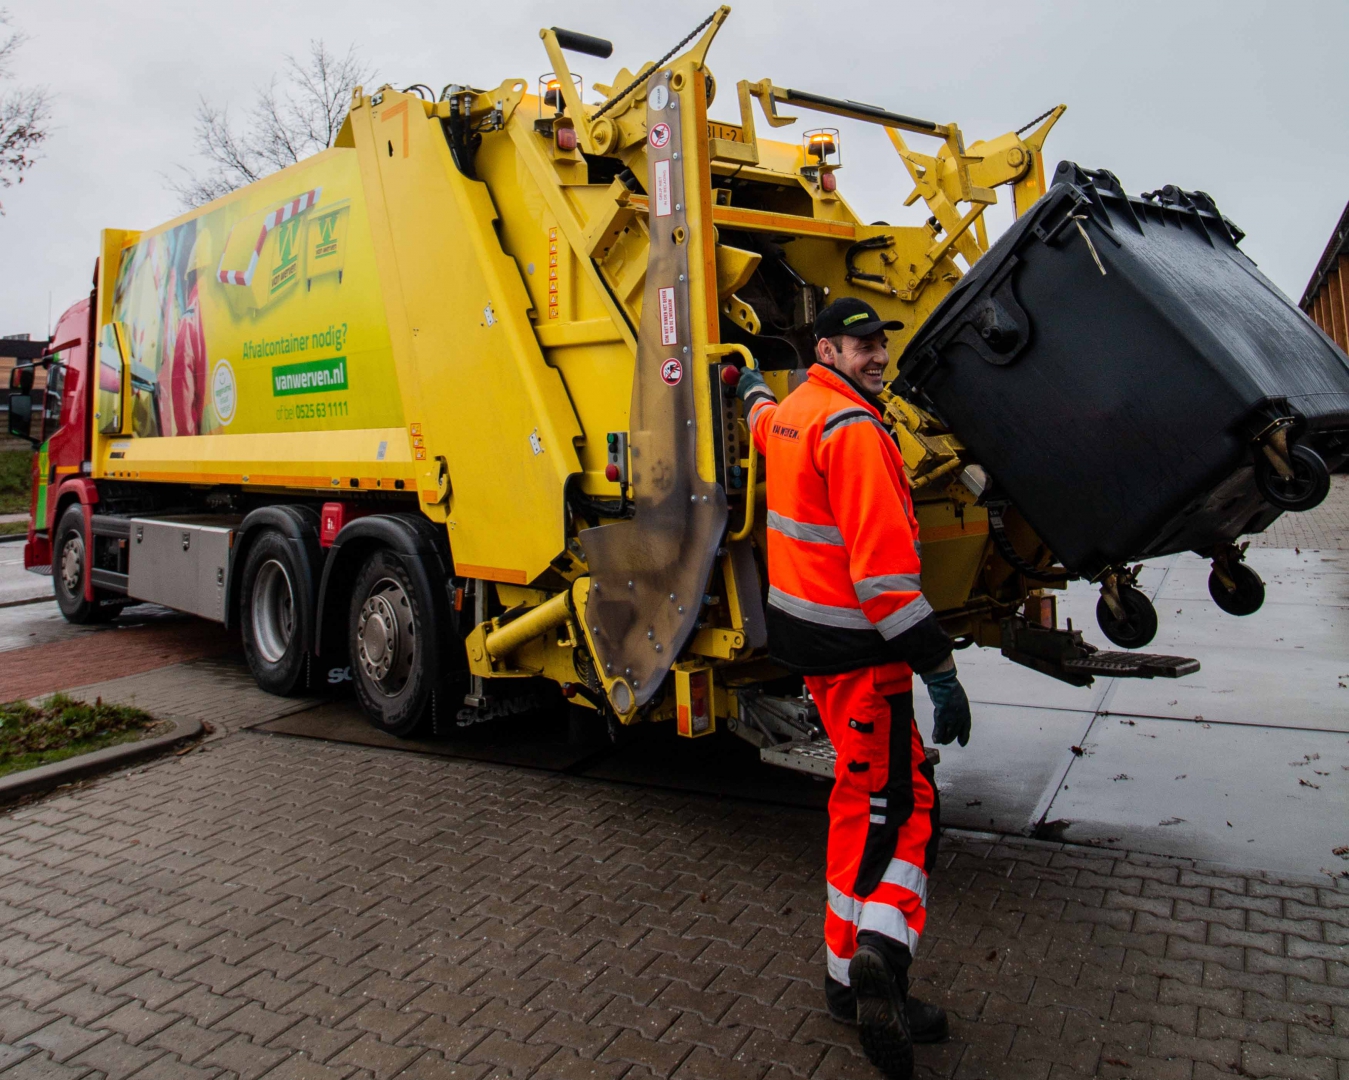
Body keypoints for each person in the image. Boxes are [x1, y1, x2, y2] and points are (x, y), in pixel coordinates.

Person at [739, 296, 972, 1080]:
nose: (875, 356)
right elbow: (885, 585)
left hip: (813, 649)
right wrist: (938, 669)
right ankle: (878, 955)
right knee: (903, 811)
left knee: (857, 799)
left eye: (880, 344)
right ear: (826, 347)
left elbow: (762, 420)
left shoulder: (798, 411)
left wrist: (741, 386)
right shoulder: (855, 434)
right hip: (862, 654)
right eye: (860, 345)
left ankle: (845, 981)